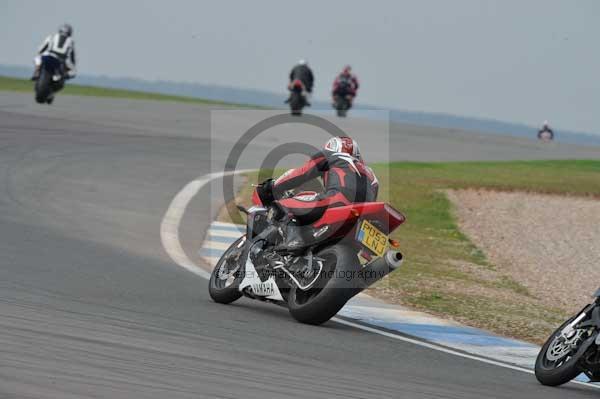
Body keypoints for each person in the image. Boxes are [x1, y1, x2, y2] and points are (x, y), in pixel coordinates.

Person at [258, 136, 378, 252]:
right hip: (362, 216)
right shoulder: (370, 173)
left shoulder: (330, 155)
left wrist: (273, 185)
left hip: (337, 202)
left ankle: (294, 241)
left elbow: (302, 173)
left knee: (283, 204)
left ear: (332, 147)